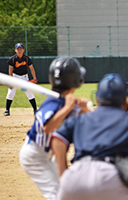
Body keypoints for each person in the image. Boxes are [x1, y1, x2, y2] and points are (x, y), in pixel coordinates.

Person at [51, 73, 128, 200]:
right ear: (125, 100)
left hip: (73, 180)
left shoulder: (81, 119)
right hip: (110, 178)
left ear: (98, 100)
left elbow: (58, 138)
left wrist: (63, 173)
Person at [19, 56, 89, 200]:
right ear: (75, 81)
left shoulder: (66, 103)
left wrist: (83, 109)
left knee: (68, 188)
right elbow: (48, 127)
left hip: (49, 155)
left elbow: (84, 121)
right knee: (57, 194)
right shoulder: (52, 103)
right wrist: (68, 107)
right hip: (34, 157)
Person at [4, 43, 38, 116]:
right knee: (11, 93)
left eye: (20, 49)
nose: (19, 50)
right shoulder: (12, 59)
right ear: (15, 50)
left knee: (29, 93)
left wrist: (34, 78)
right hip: (15, 77)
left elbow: (32, 69)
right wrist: (11, 82)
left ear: (23, 50)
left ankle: (35, 110)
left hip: (24, 77)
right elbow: (10, 71)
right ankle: (7, 110)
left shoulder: (26, 58)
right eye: (18, 49)